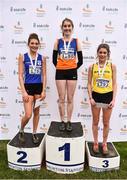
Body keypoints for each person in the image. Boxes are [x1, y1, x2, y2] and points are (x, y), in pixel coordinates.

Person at [52, 18, 83, 131]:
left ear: (72, 27)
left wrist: (72, 68)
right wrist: (61, 67)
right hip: (60, 72)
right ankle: (62, 121)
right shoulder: (57, 41)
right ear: (62, 28)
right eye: (65, 26)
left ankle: (69, 121)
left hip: (72, 72)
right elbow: (54, 60)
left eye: (69, 26)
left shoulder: (76, 41)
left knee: (70, 98)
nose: (67, 28)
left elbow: (81, 60)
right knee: (61, 98)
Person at [87, 43, 117, 155]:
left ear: (108, 54)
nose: (102, 54)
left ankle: (104, 144)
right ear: (97, 53)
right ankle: (95, 143)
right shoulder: (92, 67)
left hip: (108, 96)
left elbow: (114, 84)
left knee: (106, 122)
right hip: (96, 96)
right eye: (100, 52)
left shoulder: (112, 66)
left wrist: (113, 99)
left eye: (104, 52)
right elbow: (89, 83)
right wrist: (90, 97)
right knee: (95, 122)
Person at [18, 33, 46, 144]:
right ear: (28, 44)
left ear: (38, 44)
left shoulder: (42, 58)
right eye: (32, 43)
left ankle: (34, 133)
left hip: (38, 88)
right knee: (28, 114)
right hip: (28, 88)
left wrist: (43, 90)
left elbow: (44, 75)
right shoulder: (23, 57)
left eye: (36, 43)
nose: (34, 45)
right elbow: (20, 75)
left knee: (37, 112)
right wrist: (23, 91)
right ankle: (21, 129)